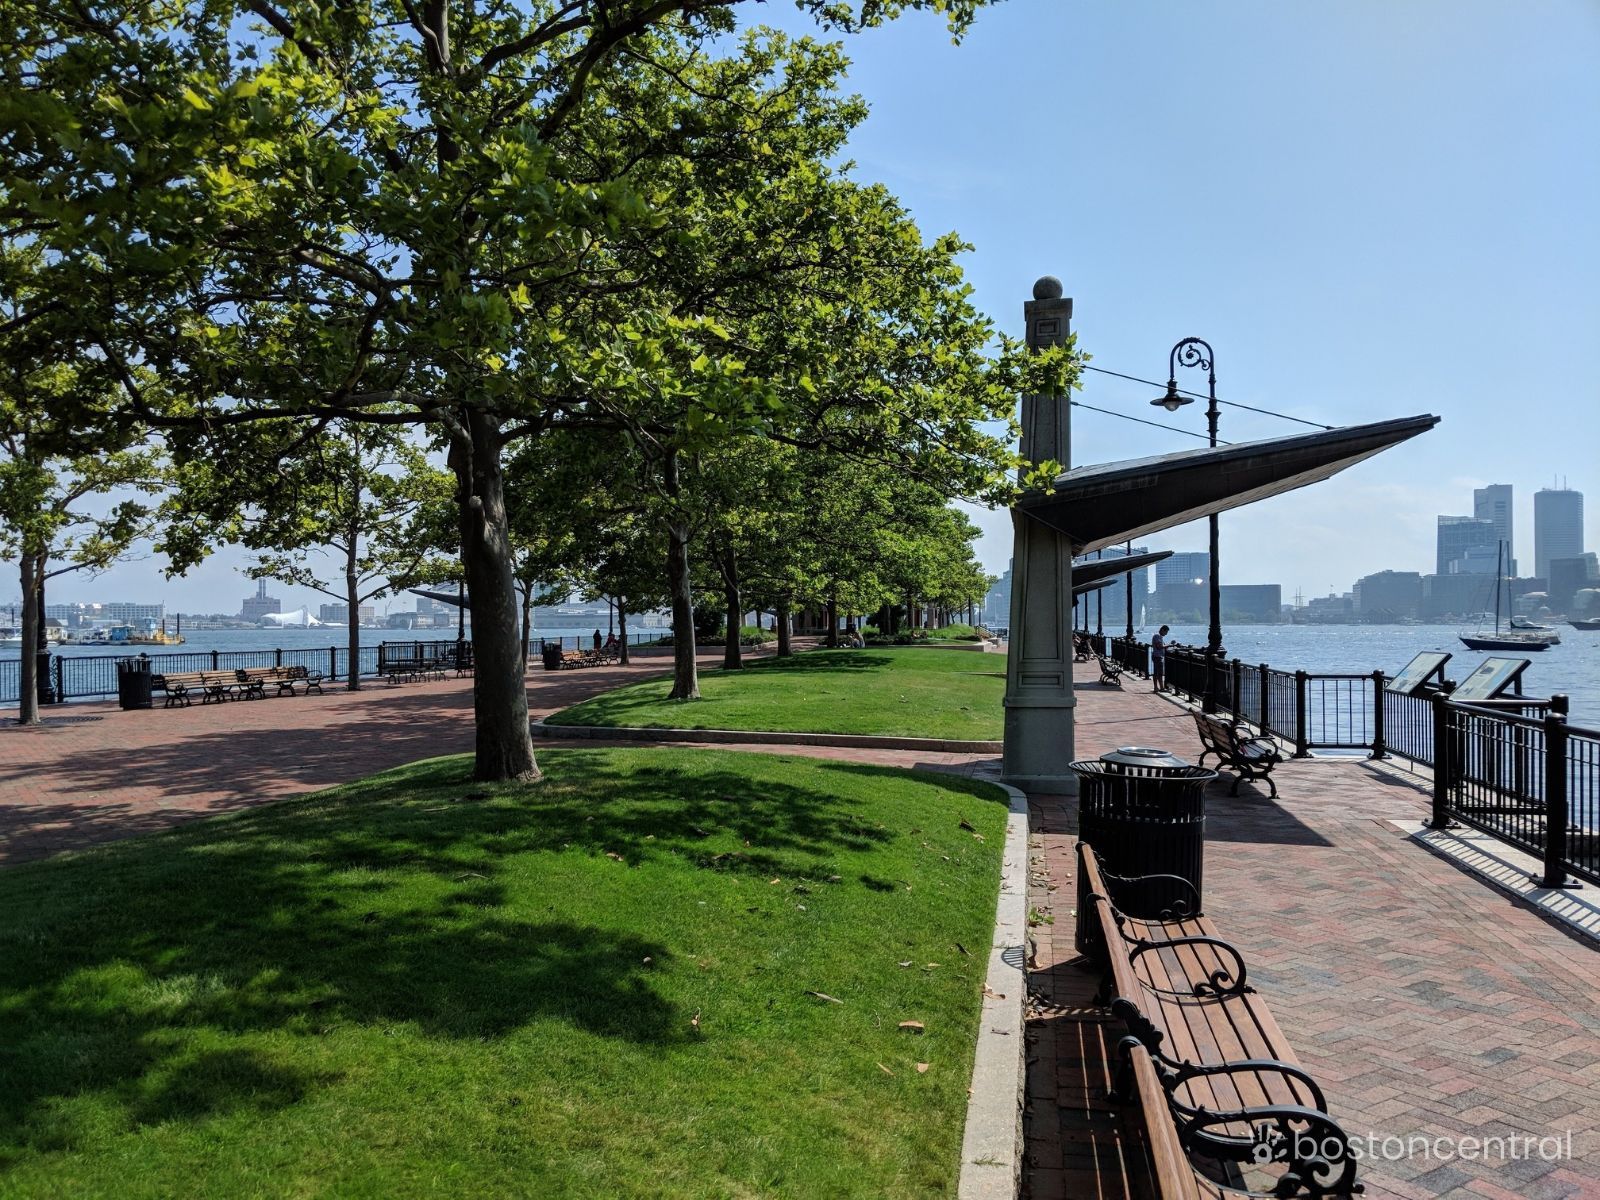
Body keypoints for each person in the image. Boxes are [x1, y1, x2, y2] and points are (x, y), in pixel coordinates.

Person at [1151, 625, 1169, 692]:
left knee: (1156, 672)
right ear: (1162, 630)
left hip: (1156, 656)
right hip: (1157, 657)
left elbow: (1160, 646)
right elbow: (1159, 646)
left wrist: (1166, 645)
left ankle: (1156, 687)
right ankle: (1161, 688)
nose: (1166, 634)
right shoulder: (1157, 636)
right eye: (1166, 632)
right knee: (1159, 673)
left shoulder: (1158, 636)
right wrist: (1169, 645)